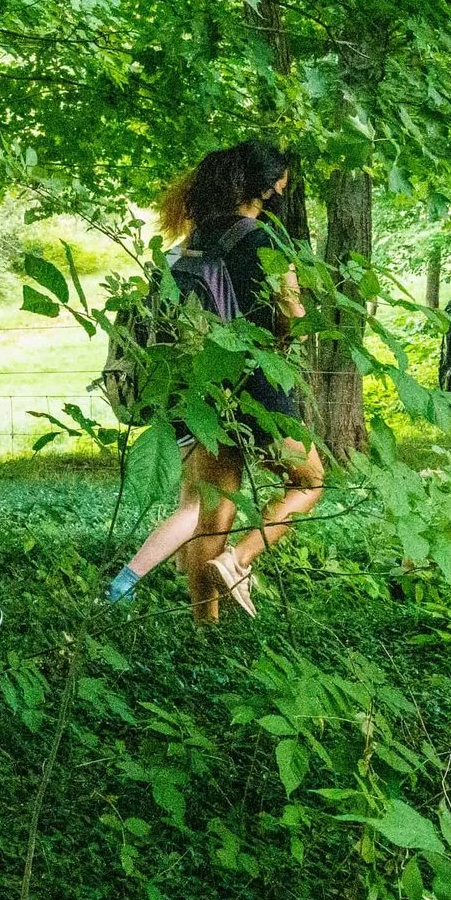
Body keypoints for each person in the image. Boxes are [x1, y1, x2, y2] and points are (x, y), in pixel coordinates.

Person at [153, 142, 326, 623]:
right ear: (267, 188)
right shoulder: (260, 239)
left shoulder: (193, 238)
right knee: (310, 481)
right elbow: (292, 313)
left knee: (214, 505)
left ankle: (203, 624)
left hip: (205, 390)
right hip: (257, 383)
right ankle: (237, 560)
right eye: (281, 184)